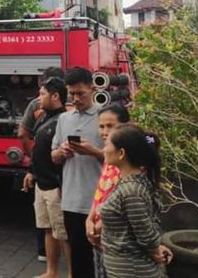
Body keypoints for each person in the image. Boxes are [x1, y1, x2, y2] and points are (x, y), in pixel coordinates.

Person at [100, 124, 173, 277]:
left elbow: (145, 233)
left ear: (121, 153)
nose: (103, 149)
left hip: (132, 270)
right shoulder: (131, 184)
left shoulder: (131, 190)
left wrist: (155, 248)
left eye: (107, 144)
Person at [51, 67, 104, 278]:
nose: (76, 98)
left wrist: (95, 152)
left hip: (99, 200)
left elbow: (120, 159)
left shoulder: (105, 117)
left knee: (102, 256)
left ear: (92, 89)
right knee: (78, 256)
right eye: (71, 94)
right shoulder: (64, 119)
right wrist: (61, 152)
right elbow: (52, 156)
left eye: (80, 93)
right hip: (71, 200)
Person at [22, 77, 71, 278]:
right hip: (41, 184)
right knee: (48, 229)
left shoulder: (64, 121)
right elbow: (38, 150)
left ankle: (72, 274)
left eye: (42, 94)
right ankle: (51, 272)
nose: (39, 98)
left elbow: (66, 157)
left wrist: (63, 185)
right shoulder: (43, 117)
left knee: (64, 234)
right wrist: (31, 171)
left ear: (55, 96)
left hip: (56, 186)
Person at [86, 103, 131, 278]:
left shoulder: (130, 160)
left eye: (110, 126)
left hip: (116, 236)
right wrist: (90, 218)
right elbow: (100, 192)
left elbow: (125, 199)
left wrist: (102, 223)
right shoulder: (109, 155)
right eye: (101, 126)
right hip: (98, 234)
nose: (105, 131)